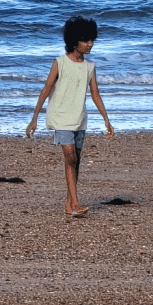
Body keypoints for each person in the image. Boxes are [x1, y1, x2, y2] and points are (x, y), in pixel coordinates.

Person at [26, 15, 114, 217]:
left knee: (75, 162)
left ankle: (69, 204)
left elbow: (95, 95)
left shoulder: (89, 67)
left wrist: (106, 120)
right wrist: (34, 119)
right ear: (74, 41)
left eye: (92, 40)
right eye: (85, 40)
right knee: (70, 158)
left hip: (80, 119)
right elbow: (46, 89)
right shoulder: (60, 63)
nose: (90, 44)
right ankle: (76, 202)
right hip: (61, 118)